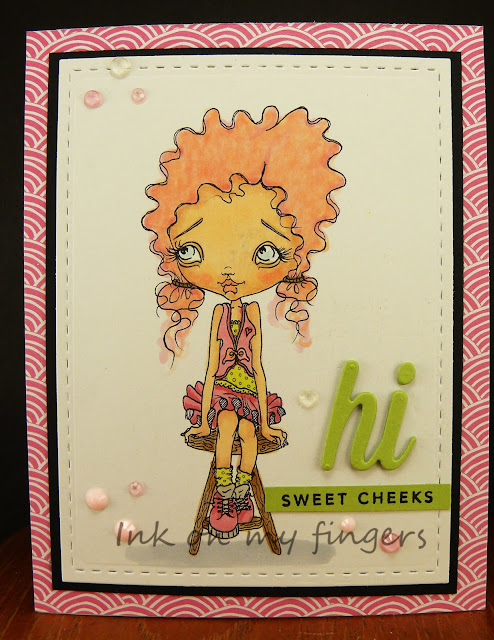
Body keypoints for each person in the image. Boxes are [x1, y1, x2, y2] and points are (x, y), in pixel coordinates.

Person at [143, 106, 344, 538]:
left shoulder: (252, 314)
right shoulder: (219, 314)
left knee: (249, 433)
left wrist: (268, 420)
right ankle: (225, 489)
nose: (231, 273)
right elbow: (212, 365)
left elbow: (257, 365)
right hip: (222, 392)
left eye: (265, 252)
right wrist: (203, 418)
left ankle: (237, 494)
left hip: (249, 391)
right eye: (192, 251)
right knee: (227, 428)